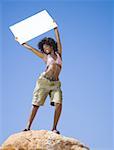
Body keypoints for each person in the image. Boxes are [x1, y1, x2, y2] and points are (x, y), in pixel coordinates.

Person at [15, 26, 63, 134]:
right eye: (44, 47)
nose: (45, 49)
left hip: (55, 84)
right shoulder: (45, 57)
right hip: (44, 81)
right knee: (36, 104)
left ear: (51, 46)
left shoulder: (59, 54)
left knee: (59, 103)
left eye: (47, 46)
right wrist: (21, 42)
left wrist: (55, 28)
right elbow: (32, 50)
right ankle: (28, 126)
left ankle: (54, 128)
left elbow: (59, 41)